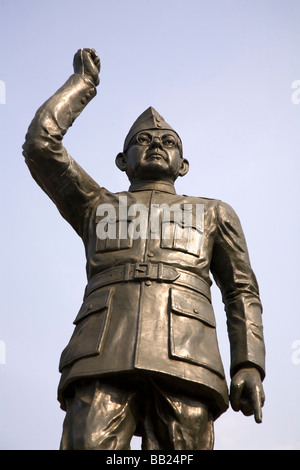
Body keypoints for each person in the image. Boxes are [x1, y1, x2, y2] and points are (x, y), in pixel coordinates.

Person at [23, 48, 265, 450]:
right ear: (122, 160)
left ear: (183, 164)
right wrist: (81, 85)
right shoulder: (95, 206)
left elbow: (241, 290)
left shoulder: (214, 213)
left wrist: (249, 362)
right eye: (143, 140)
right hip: (101, 353)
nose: (156, 144)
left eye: (168, 141)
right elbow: (40, 145)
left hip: (188, 357)